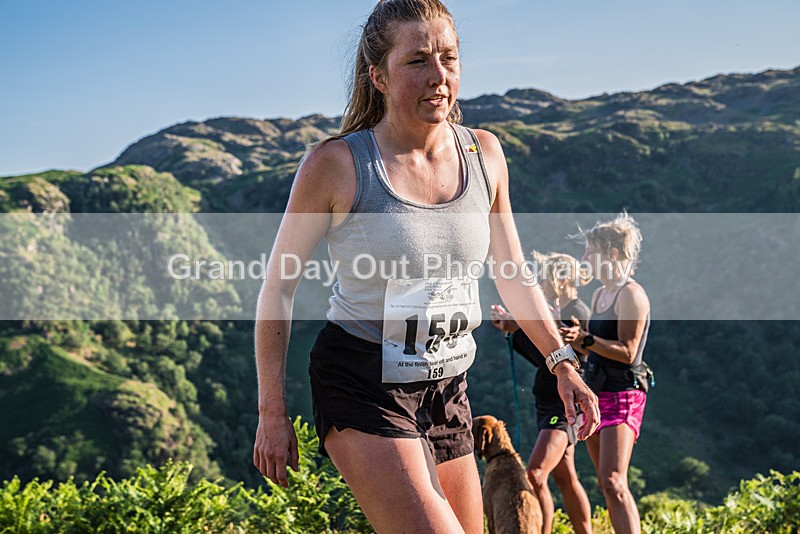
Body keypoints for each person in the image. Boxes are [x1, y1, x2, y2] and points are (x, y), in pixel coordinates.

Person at [252, 2, 600, 532]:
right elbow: (277, 288)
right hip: (362, 380)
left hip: (447, 384)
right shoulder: (337, 166)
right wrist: (271, 413)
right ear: (378, 76)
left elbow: (511, 269)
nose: (439, 77)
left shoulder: (484, 154)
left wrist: (562, 362)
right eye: (417, 60)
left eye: (449, 58)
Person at [560, 213, 652, 534]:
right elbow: (595, 347)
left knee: (614, 480)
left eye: (590, 252)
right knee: (604, 481)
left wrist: (585, 339)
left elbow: (627, 352)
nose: (585, 258)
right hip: (598, 391)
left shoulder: (631, 294)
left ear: (612, 254)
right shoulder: (600, 294)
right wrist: (575, 341)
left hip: (625, 392)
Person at [490, 251, 593, 534]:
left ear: (560, 280)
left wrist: (517, 328)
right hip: (549, 404)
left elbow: (562, 360)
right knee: (565, 477)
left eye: (543, 279)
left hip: (563, 408)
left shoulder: (576, 315)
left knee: (535, 474)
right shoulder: (561, 313)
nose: (539, 286)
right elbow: (545, 359)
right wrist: (513, 329)